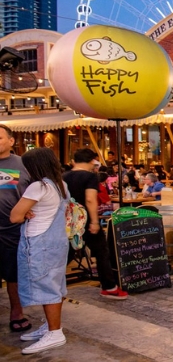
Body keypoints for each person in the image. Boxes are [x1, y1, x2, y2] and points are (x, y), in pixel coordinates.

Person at [10, 148, 70, 353]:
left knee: (46, 287)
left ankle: (54, 332)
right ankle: (51, 326)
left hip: (39, 242)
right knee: (56, 284)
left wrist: (25, 211)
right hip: (57, 241)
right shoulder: (61, 184)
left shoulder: (38, 186)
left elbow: (14, 216)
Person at [62, 148, 127, 300]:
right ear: (92, 160)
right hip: (86, 220)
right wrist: (95, 221)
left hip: (69, 222)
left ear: (74, 161)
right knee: (102, 252)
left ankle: (49, 283)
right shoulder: (90, 177)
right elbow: (90, 199)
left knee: (68, 253)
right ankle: (109, 287)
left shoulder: (64, 176)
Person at [0, 124, 31, 334]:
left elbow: (38, 191)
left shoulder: (24, 165)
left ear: (11, 141)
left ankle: (16, 313)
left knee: (14, 275)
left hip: (13, 230)